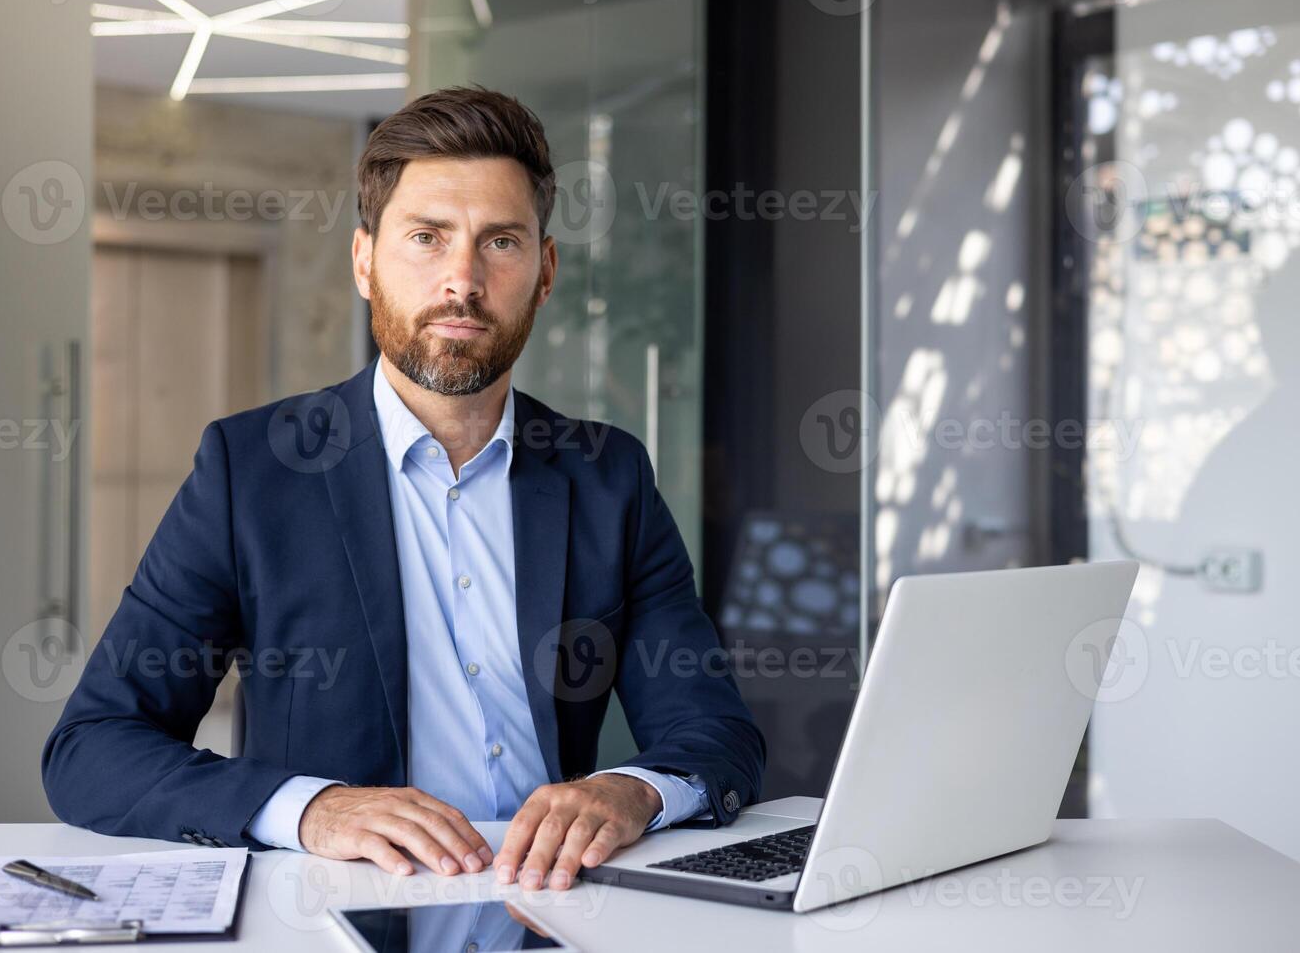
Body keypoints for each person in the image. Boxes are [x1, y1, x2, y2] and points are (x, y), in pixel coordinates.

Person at [42, 86, 765, 893]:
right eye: (426, 237)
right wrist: (310, 809)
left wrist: (630, 791)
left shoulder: (608, 477)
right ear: (364, 261)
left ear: (545, 271)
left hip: (555, 902)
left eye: (500, 242)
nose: (462, 279)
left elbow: (714, 731)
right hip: (336, 908)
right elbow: (94, 746)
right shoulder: (253, 472)